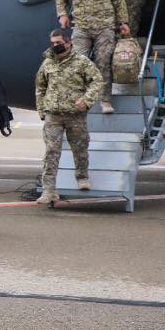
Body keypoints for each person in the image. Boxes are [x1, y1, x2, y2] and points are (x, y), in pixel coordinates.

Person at [56, 0, 130, 114]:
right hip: (81, 28)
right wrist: (62, 14)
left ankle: (105, 101)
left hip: (104, 27)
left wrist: (123, 22)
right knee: (76, 63)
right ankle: (78, 100)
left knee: (103, 62)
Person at [35, 29, 103, 204]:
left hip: (75, 116)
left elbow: (97, 81)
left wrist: (86, 100)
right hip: (53, 116)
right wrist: (42, 111)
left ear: (68, 42)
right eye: (53, 43)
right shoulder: (47, 63)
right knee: (51, 152)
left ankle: (82, 176)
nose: (55, 46)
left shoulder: (82, 62)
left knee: (80, 148)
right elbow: (40, 87)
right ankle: (49, 190)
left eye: (58, 43)